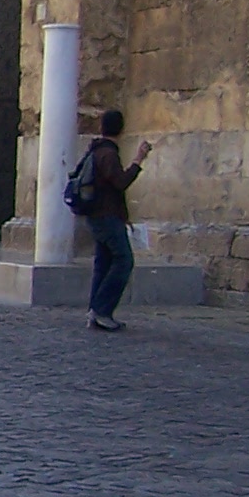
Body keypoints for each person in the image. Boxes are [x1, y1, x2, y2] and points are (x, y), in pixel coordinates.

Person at [81, 109, 153, 331]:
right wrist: (138, 160)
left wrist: (124, 217)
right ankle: (101, 310)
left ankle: (96, 311)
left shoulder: (96, 151)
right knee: (123, 261)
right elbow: (120, 183)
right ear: (121, 129)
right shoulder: (108, 154)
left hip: (100, 216)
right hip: (106, 217)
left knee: (103, 263)